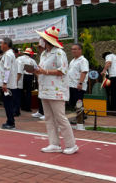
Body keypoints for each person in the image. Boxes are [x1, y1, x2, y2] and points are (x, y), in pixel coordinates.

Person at [35, 26, 78, 154]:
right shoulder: (44, 54)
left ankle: (71, 145)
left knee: (60, 118)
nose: (40, 40)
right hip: (44, 88)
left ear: (47, 40)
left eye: (42, 38)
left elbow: (63, 70)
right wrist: (35, 70)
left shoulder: (59, 52)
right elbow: (42, 69)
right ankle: (54, 144)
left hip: (56, 90)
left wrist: (45, 71)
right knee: (48, 117)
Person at [0, 38, 18, 129]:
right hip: (9, 83)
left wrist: (4, 83)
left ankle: (10, 122)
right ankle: (10, 121)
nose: (1, 45)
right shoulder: (9, 54)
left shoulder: (8, 55)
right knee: (8, 103)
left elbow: (7, 69)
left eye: (2, 43)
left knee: (8, 104)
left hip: (7, 84)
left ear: (6, 44)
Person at [68, 43, 89, 127]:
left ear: (80, 50)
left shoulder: (83, 60)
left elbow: (84, 71)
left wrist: (80, 83)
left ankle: (80, 118)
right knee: (73, 101)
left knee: (78, 102)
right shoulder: (73, 60)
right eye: (72, 49)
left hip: (78, 85)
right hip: (71, 84)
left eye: (75, 49)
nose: (73, 51)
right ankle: (81, 115)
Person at [19, 48, 38, 112]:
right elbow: (36, 70)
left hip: (21, 76)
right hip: (29, 77)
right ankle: (27, 107)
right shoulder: (32, 61)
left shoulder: (19, 59)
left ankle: (22, 106)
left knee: (21, 91)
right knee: (28, 92)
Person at [14, 48, 23, 116]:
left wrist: (16, 81)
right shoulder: (14, 60)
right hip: (14, 83)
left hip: (17, 83)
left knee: (17, 98)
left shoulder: (19, 61)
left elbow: (19, 73)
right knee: (14, 98)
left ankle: (17, 111)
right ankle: (15, 110)